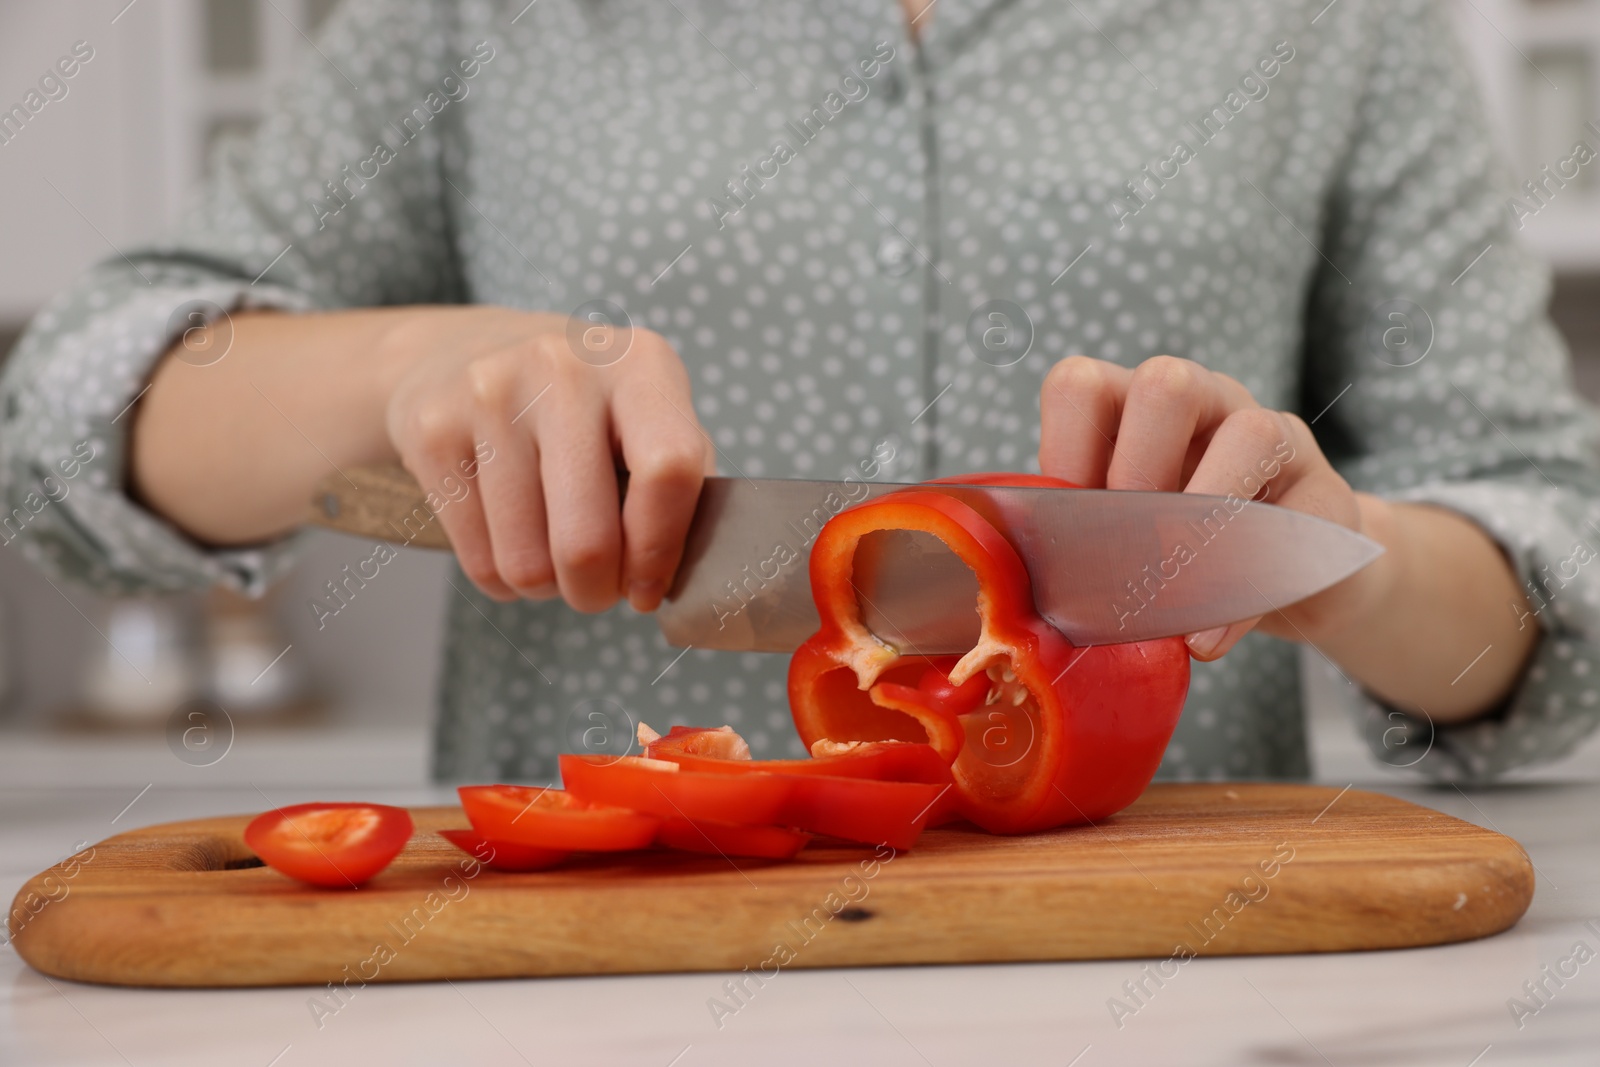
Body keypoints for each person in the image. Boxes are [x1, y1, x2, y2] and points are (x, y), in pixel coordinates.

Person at [5, 0, 1599, 784]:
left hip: (1154, 978)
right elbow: (76, 413)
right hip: (584, 1002)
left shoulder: (1333, 21)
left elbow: (1552, 585)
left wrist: (1346, 560)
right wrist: (394, 362)